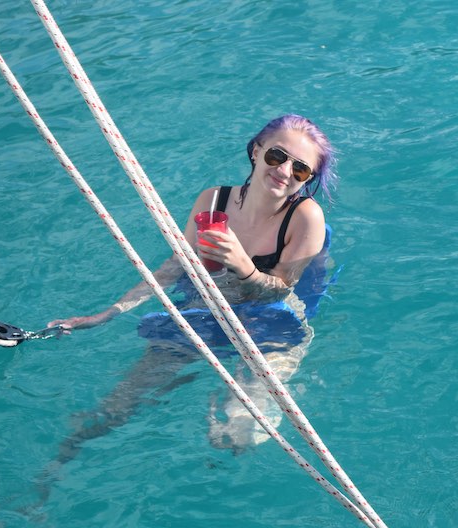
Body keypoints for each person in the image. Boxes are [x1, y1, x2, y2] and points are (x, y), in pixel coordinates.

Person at [45, 114, 337, 468]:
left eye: (301, 170)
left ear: (306, 180)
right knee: (114, 409)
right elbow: (175, 266)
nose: (285, 171)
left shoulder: (306, 217)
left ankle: (230, 405)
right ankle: (55, 470)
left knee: (237, 436)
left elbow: (279, 290)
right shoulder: (214, 201)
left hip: (271, 325)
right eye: (277, 156)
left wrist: (243, 265)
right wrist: (106, 314)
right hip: (206, 311)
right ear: (257, 151)